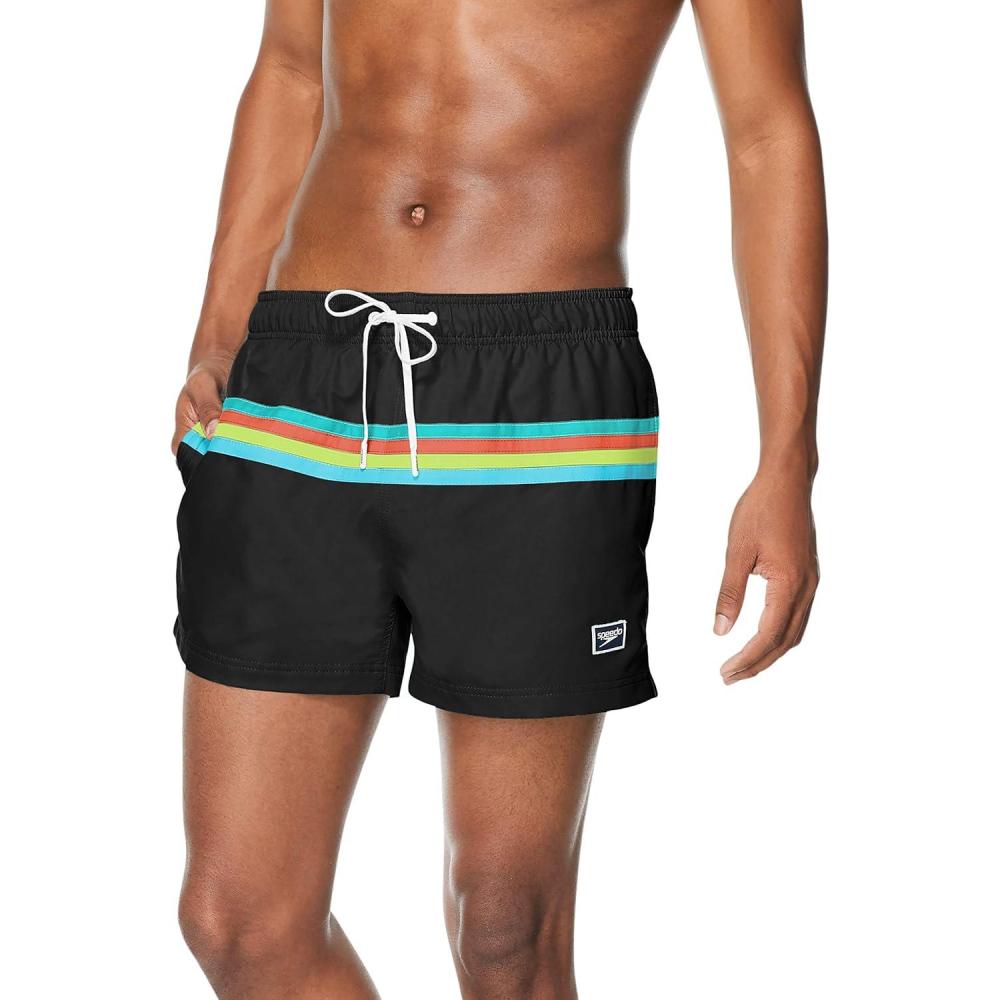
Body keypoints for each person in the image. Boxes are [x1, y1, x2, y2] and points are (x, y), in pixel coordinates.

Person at [171, 0, 825, 996]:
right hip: (301, 373)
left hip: (541, 397)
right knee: (236, 920)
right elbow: (294, 69)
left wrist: (787, 458)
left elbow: (767, 133)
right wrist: (219, 339)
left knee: (505, 928)